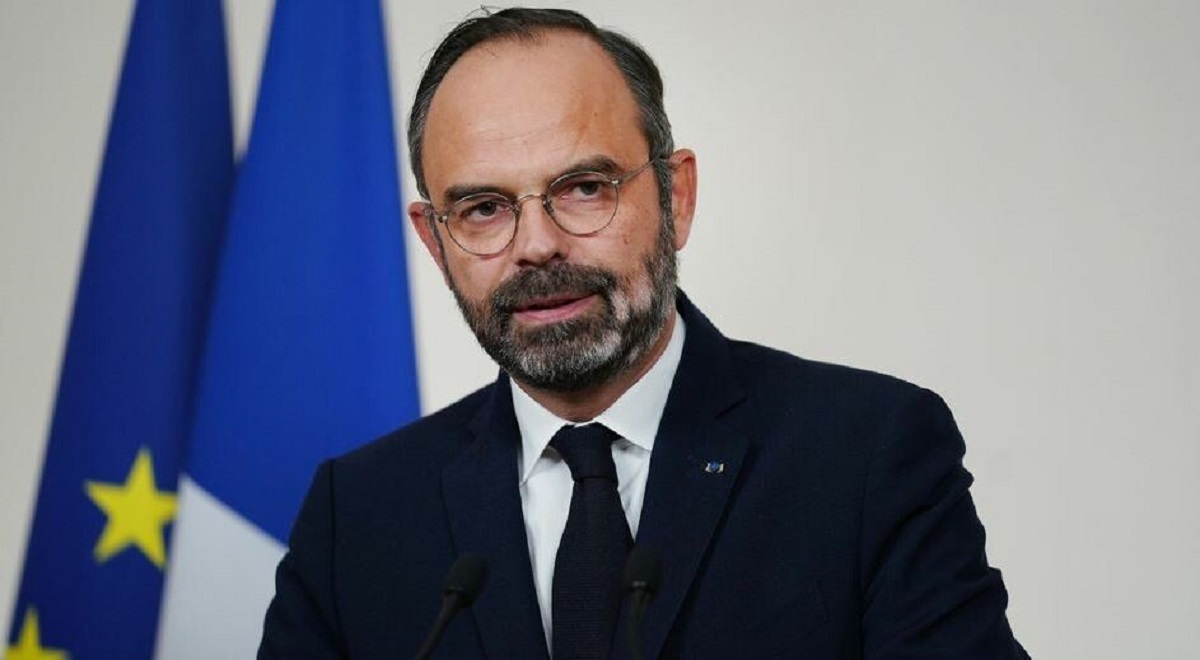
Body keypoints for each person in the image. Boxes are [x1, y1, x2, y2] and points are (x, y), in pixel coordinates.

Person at [259, 7, 1028, 659]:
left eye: (583, 188)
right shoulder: (356, 516)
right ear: (435, 241)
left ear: (676, 196)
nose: (537, 246)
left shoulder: (868, 455)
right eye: (484, 209)